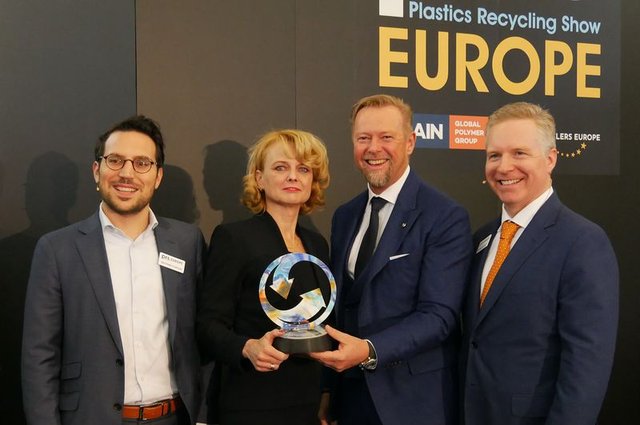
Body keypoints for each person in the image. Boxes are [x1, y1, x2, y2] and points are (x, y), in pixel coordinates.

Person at [21, 116, 205, 425]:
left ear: (158, 176)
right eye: (115, 160)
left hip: (174, 417)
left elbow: (203, 336)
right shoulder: (57, 249)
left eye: (142, 163)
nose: (127, 173)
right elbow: (39, 356)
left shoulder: (187, 243)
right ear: (97, 170)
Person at [310, 94, 473, 425]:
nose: (374, 148)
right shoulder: (345, 216)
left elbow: (439, 316)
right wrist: (328, 388)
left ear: (410, 142)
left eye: (386, 137)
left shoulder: (444, 215)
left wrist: (369, 350)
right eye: (363, 138)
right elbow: (338, 309)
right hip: (350, 396)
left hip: (411, 401)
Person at [460, 102, 618, 425]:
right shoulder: (481, 239)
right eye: (494, 155)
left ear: (550, 159)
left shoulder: (582, 242)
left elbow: (586, 367)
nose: (504, 167)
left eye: (519, 153)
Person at [196, 129, 331, 425]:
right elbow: (208, 326)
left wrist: (326, 390)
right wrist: (247, 347)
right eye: (280, 167)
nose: (293, 176)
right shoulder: (234, 238)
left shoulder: (318, 244)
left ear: (312, 181)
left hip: (306, 402)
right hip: (251, 402)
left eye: (303, 169)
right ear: (259, 178)